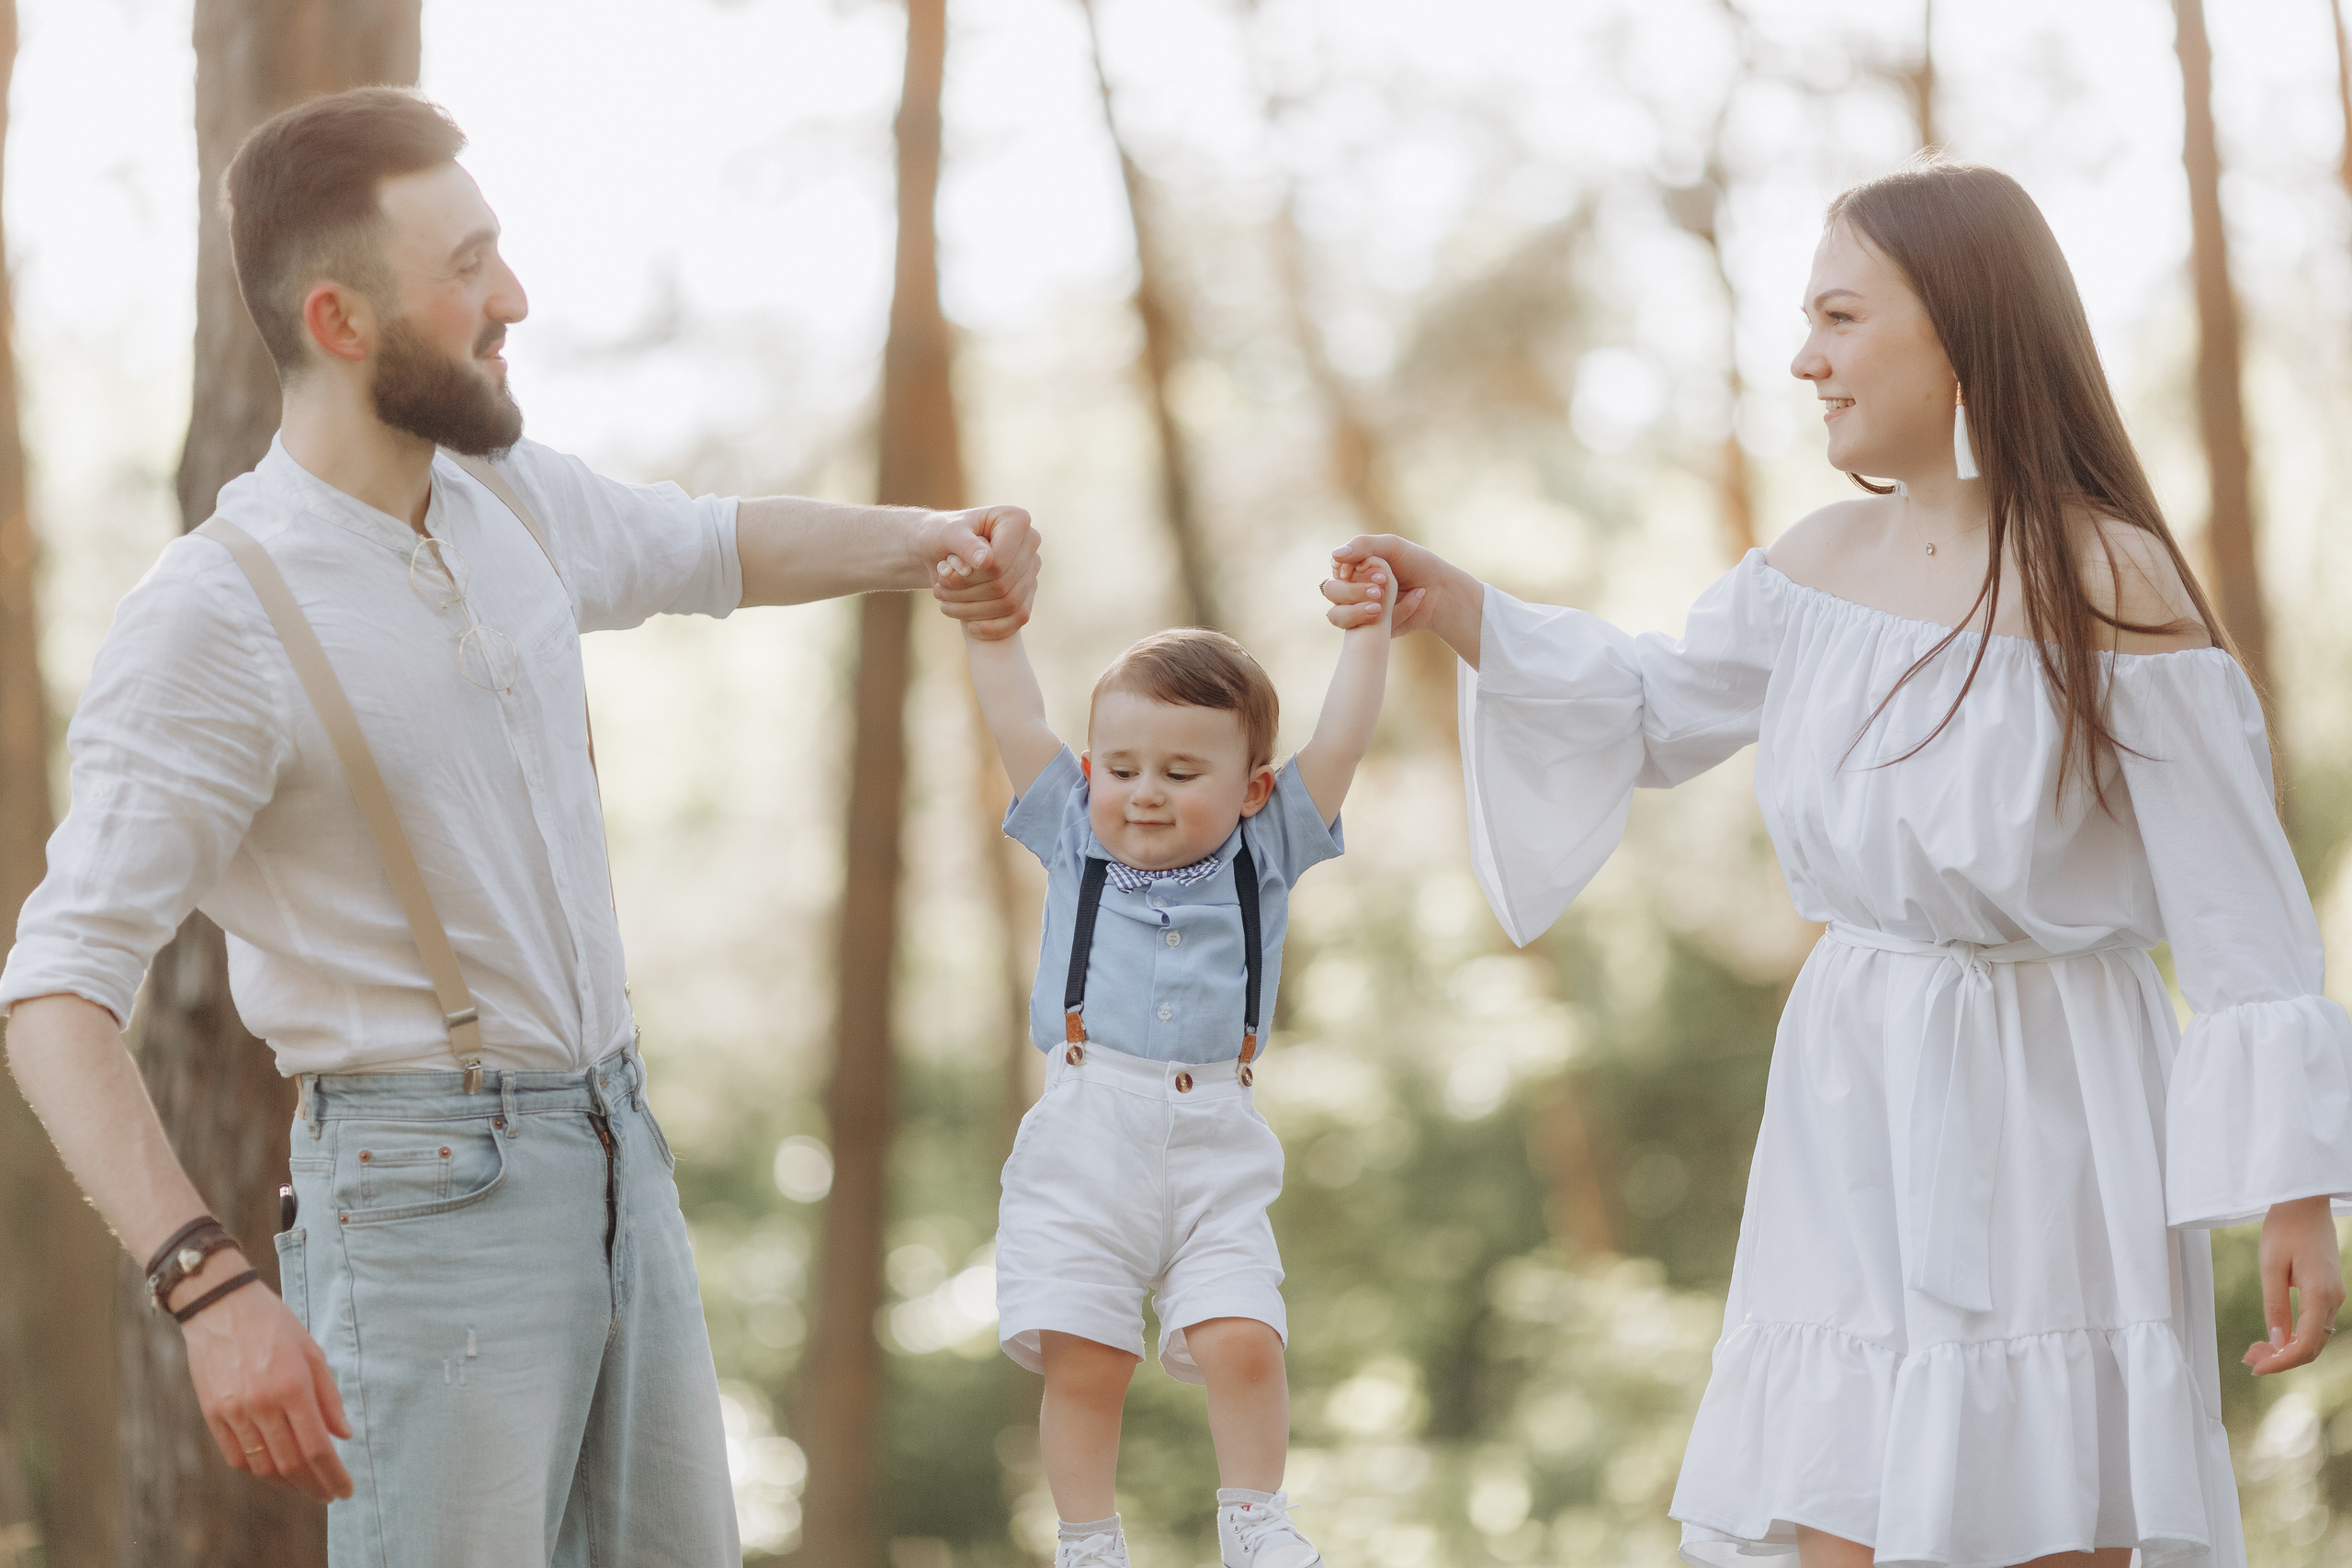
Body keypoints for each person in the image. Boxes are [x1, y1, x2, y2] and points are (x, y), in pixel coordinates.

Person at [0, 86, 1037, 1563]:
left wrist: (939, 546)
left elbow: (710, 544)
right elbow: (53, 991)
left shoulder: (505, 496)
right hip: (421, 1203)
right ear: (341, 319)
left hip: (617, 1145)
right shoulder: (213, 618)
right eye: (470, 267)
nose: (517, 299)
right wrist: (207, 1284)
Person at [1322, 159, 2352, 1568]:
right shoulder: (1812, 569)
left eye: (1841, 317)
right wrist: (1462, 606)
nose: (1805, 359)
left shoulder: (2112, 582)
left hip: (2055, 1093)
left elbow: (2239, 905)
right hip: (1852, 1084)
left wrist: (2296, 1188)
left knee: (2052, 1507)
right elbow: (1650, 706)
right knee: (1837, 1505)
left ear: (1962, 329)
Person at [959, 556, 1396, 1568]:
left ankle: (1253, 1520)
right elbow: (1016, 716)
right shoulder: (1072, 832)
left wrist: (1368, 631)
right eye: (1121, 769)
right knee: (1087, 1356)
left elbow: (1341, 739)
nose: (1144, 793)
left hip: (1215, 1145)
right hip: (1085, 1141)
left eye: (1181, 773)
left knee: (1244, 1338)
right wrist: (990, 624)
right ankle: (1089, 1542)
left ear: (1251, 789)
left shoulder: (1268, 846)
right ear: (1090, 774)